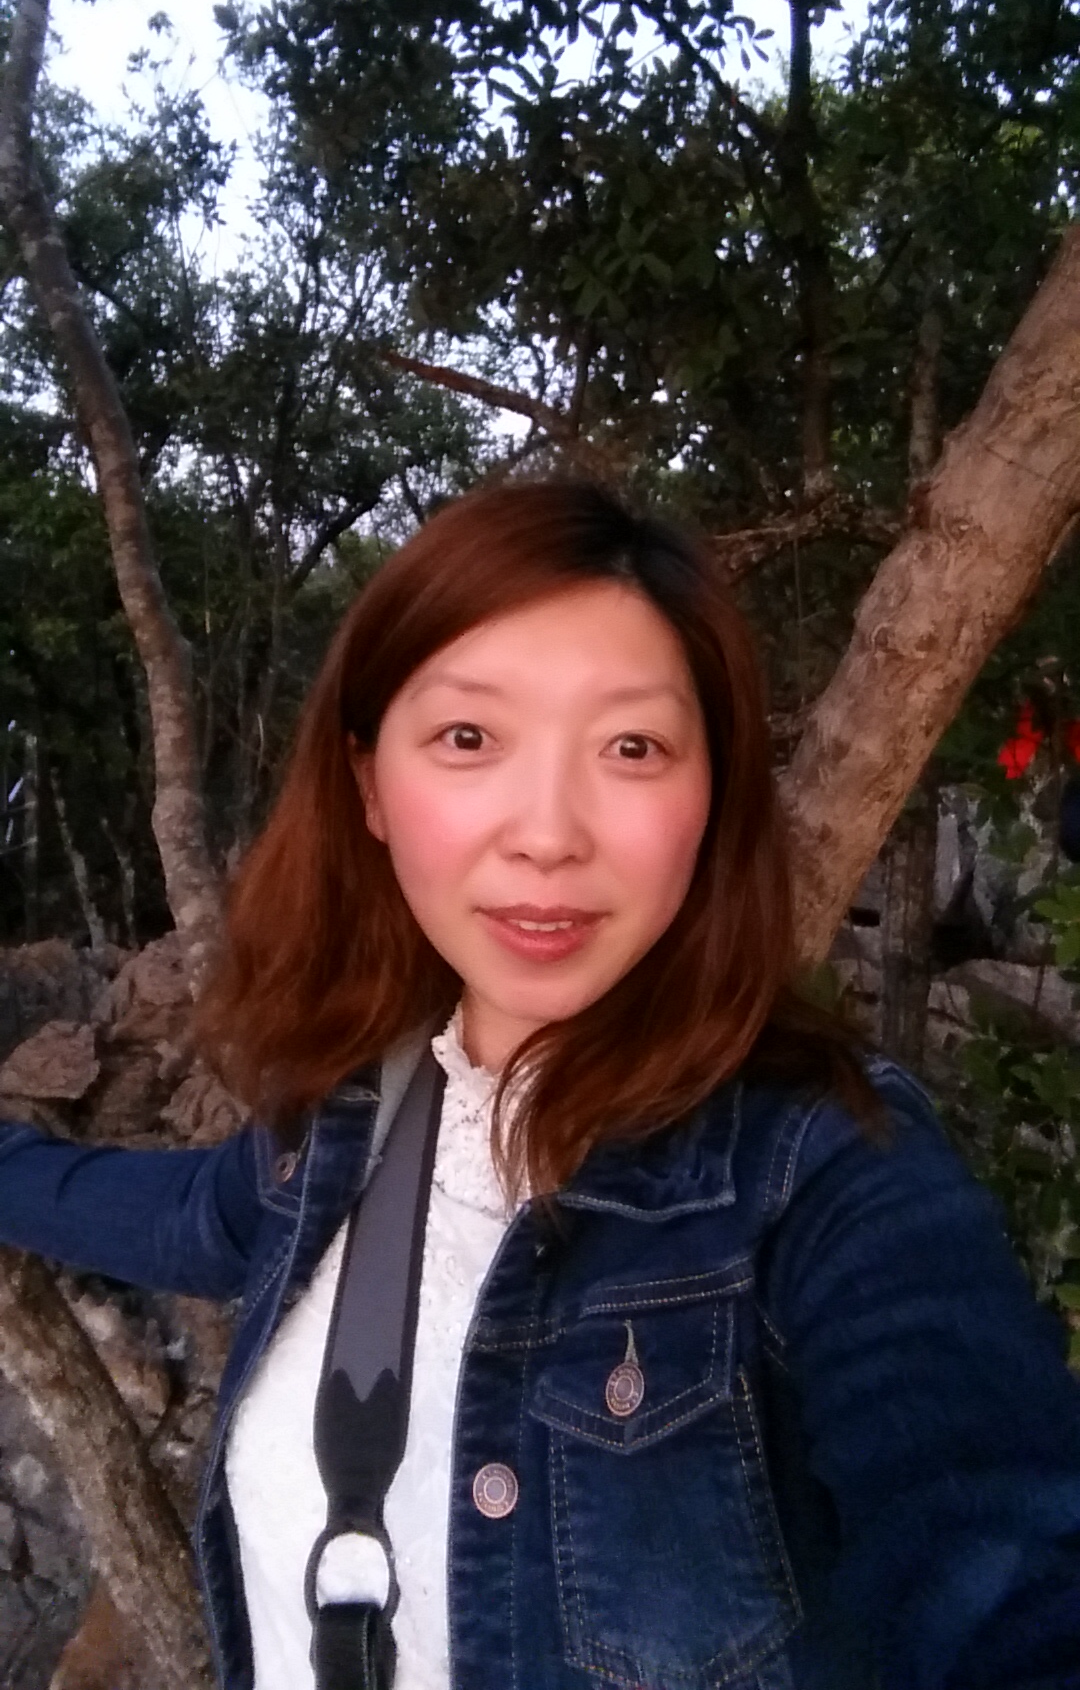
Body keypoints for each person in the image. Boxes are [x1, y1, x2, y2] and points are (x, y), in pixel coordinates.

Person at [1, 477, 1079, 1690]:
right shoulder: (365, 1109)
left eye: (633, 747)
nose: (550, 833)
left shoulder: (819, 1177)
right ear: (369, 786)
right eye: (469, 739)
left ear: (713, 792)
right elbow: (201, 1220)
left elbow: (997, 1554)